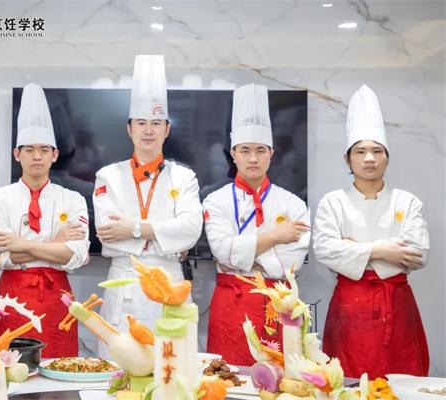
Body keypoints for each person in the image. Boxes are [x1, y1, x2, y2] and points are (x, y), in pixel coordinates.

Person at [313, 84, 429, 378]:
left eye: (377, 151)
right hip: (349, 309)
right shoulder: (333, 202)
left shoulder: (407, 201)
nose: (369, 158)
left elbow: (418, 253)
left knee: (401, 383)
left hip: (397, 306)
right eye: (360, 151)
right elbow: (325, 250)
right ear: (347, 158)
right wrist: (381, 250)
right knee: (347, 383)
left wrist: (353, 249)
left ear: (387, 157)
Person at [93, 55, 203, 358]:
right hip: (123, 285)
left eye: (156, 123)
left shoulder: (185, 177)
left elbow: (190, 230)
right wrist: (163, 234)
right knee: (117, 369)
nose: (148, 130)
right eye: (141, 123)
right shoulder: (108, 176)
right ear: (129, 128)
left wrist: (133, 228)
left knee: (171, 369)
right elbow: (107, 232)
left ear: (167, 129)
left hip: (169, 283)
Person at [203, 83, 310, 365]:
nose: (253, 158)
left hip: (279, 304)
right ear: (233, 153)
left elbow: (293, 262)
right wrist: (275, 236)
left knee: (281, 379)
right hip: (231, 305)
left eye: (261, 150)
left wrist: (243, 256)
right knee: (227, 379)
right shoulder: (214, 200)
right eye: (245, 150)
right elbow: (221, 250)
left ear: (271, 153)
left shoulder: (294, 204)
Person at [0, 83, 89, 357]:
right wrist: (55, 244)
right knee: (11, 372)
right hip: (10, 301)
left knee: (60, 370)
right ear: (17, 154)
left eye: (44, 149)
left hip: (58, 302)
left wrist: (19, 244)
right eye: (29, 149)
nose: (37, 156)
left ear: (55, 154)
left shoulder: (73, 199)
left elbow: (76, 255)